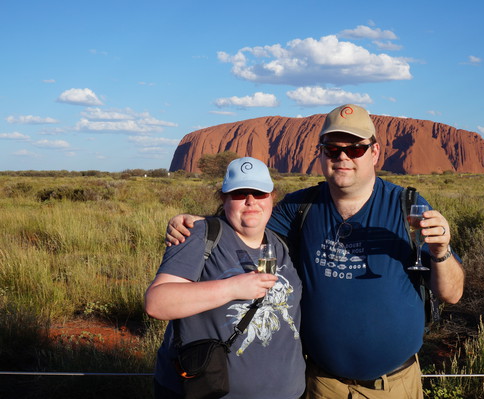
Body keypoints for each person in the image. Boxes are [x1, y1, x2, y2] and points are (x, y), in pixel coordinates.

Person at [166, 105, 465, 399]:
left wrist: (441, 251)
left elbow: (452, 294)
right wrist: (198, 223)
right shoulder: (301, 207)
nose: (343, 157)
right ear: (321, 153)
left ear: (374, 152)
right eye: (333, 149)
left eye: (356, 149)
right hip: (322, 383)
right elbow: (248, 217)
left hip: (393, 386)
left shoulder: (406, 205)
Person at [146, 157, 305, 399]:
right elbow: (157, 302)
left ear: (272, 196)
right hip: (209, 391)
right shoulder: (199, 235)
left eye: (259, 193)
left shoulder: (283, 243)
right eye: (240, 193)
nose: (251, 201)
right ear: (224, 198)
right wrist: (232, 288)